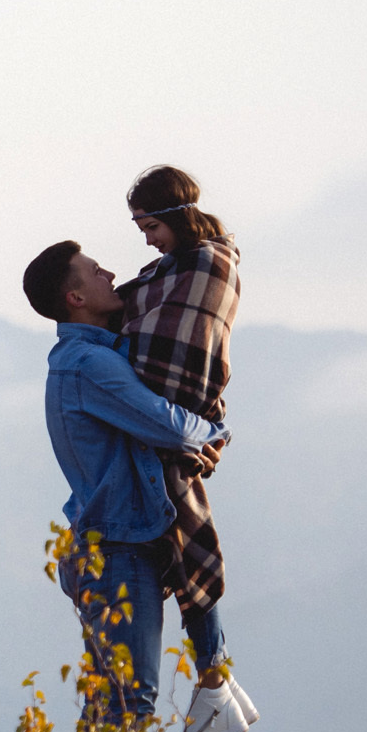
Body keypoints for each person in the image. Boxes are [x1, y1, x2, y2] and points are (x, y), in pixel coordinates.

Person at [21, 238, 228, 732]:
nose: (112, 271)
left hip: (118, 545)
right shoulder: (87, 365)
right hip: (112, 553)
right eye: (94, 271)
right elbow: (166, 424)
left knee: (120, 698)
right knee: (124, 700)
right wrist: (213, 430)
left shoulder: (100, 356)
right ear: (75, 297)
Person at [117, 166, 238, 698]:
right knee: (182, 542)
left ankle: (214, 676)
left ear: (170, 215)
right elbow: (136, 311)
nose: (146, 239)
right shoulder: (164, 270)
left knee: (186, 542)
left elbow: (196, 335)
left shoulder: (212, 264)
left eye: (149, 227)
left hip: (183, 418)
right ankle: (214, 678)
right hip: (174, 425)